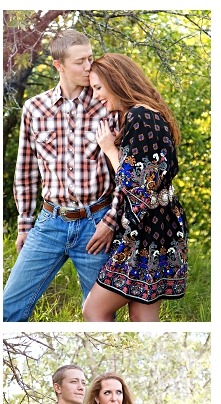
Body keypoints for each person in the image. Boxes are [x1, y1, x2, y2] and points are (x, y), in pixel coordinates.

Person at [3, 30, 120, 322]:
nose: (89, 67)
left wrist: (111, 221)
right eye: (80, 62)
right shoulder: (34, 108)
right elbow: (26, 168)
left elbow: (125, 171)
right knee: (9, 310)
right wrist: (24, 224)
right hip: (48, 223)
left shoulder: (107, 105)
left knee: (98, 316)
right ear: (59, 65)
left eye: (91, 59)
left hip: (97, 225)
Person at [82, 53, 188, 322]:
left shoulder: (140, 116)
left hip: (147, 233)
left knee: (94, 309)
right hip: (161, 227)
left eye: (98, 88)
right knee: (143, 314)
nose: (96, 97)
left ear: (116, 81)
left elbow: (138, 185)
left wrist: (108, 148)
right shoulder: (148, 115)